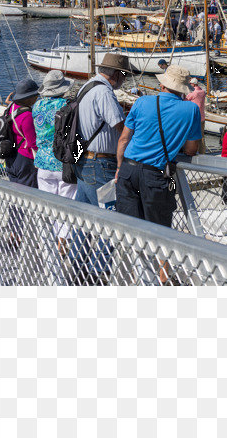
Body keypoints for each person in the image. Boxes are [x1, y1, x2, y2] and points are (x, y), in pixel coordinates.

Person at [115, 64, 202, 233]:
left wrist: (119, 167)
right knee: (158, 232)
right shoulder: (191, 109)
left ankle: (132, 258)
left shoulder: (141, 101)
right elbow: (191, 150)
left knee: (128, 228)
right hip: (154, 174)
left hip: (128, 169)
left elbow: (123, 139)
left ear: (162, 85)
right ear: (183, 89)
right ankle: (158, 260)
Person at [69, 53, 131, 285]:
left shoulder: (86, 86)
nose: (124, 79)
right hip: (101, 163)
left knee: (83, 218)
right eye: (123, 75)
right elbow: (120, 126)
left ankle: (77, 267)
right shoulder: (104, 92)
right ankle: (97, 272)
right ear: (116, 74)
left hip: (84, 160)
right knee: (111, 220)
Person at [32, 70, 76, 251]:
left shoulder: (37, 106)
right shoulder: (67, 105)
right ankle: (63, 241)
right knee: (67, 203)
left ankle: (48, 241)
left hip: (42, 162)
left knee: (48, 205)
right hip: (63, 162)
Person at [3, 78, 40, 189]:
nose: (37, 97)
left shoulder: (11, 107)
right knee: (28, 194)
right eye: (35, 95)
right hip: (25, 158)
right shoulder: (27, 115)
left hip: (11, 155)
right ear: (29, 98)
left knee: (15, 194)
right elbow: (32, 142)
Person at [185, 77, 207, 154]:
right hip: (202, 117)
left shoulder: (194, 93)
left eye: (190, 84)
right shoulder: (203, 91)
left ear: (193, 84)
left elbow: (185, 100)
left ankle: (192, 151)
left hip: (194, 117)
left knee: (192, 135)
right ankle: (202, 152)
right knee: (202, 136)